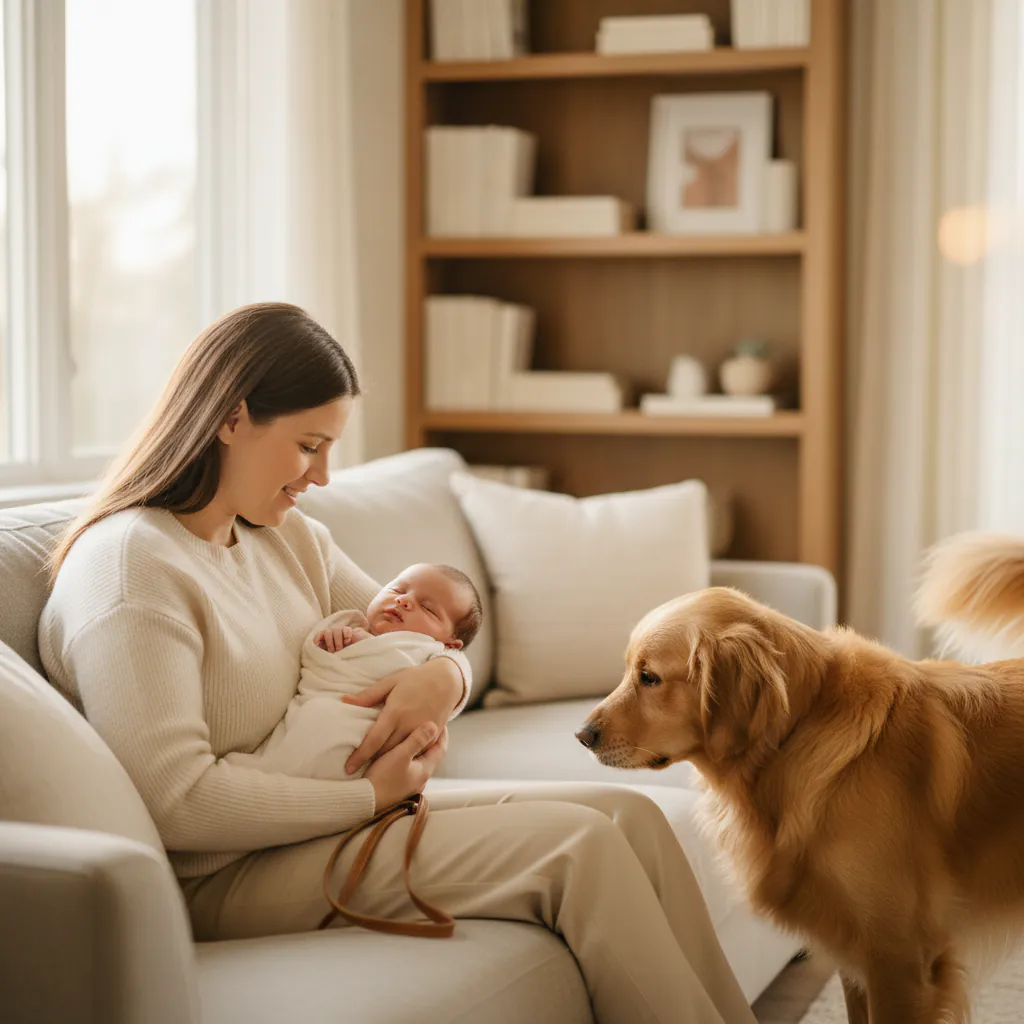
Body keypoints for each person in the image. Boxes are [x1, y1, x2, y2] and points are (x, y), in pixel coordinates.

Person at [39, 301, 756, 1024]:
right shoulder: (133, 571)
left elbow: (426, 634)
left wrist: (443, 678)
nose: (322, 475)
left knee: (631, 817)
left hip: (324, 824)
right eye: (309, 446)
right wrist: (369, 797)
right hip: (221, 873)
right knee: (582, 848)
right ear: (231, 418)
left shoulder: (285, 539)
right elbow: (177, 802)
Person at [235, 562, 483, 781]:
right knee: (300, 740)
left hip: (364, 739)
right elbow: (315, 662)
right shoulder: (351, 626)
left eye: (428, 609)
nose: (404, 600)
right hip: (316, 713)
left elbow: (431, 678)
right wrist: (332, 641)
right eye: (397, 590)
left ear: (450, 644)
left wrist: (451, 674)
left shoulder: (426, 650)